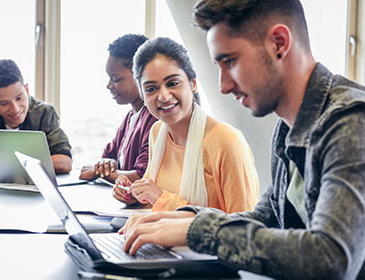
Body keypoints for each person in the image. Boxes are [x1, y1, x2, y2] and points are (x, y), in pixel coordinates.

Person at [119, 0, 365, 279]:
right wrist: (182, 218)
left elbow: (330, 259)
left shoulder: (351, 122)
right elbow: (267, 216)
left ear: (280, 43)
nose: (223, 85)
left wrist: (198, 231)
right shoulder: (287, 126)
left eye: (230, 62)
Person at [113, 37, 259, 214]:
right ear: (142, 95)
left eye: (173, 83)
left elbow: (243, 227)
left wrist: (161, 198)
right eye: (151, 89)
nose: (164, 96)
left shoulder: (226, 141)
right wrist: (132, 194)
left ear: (194, 84)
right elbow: (153, 201)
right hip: (161, 238)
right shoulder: (157, 132)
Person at [0, 59, 72, 179]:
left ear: (27, 90)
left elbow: (65, 161)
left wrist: (14, 168)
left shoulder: (44, 113)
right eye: (4, 103)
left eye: (19, 98)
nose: (15, 109)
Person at [79, 34, 158, 184]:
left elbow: (142, 176)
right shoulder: (131, 116)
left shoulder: (155, 119)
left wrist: (98, 172)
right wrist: (103, 167)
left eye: (115, 79)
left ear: (140, 75)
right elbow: (108, 157)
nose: (109, 85)